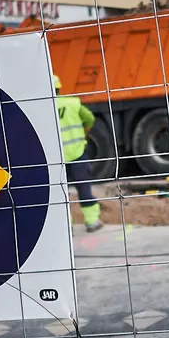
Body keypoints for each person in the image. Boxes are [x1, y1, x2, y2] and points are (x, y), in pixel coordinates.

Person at [54, 74, 103, 233]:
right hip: (77, 154)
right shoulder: (72, 103)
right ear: (59, 88)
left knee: (60, 193)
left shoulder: (41, 107)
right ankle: (92, 222)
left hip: (56, 159)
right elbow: (89, 118)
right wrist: (84, 130)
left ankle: (67, 226)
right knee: (84, 189)